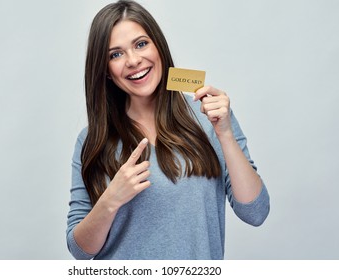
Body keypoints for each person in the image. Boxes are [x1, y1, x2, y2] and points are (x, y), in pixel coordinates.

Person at [66, 0, 270, 260]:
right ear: (105, 71)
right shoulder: (91, 140)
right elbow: (79, 250)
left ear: (158, 47)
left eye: (141, 44)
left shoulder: (209, 117)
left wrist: (226, 134)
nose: (133, 60)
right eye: (115, 54)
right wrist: (110, 200)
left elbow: (256, 212)